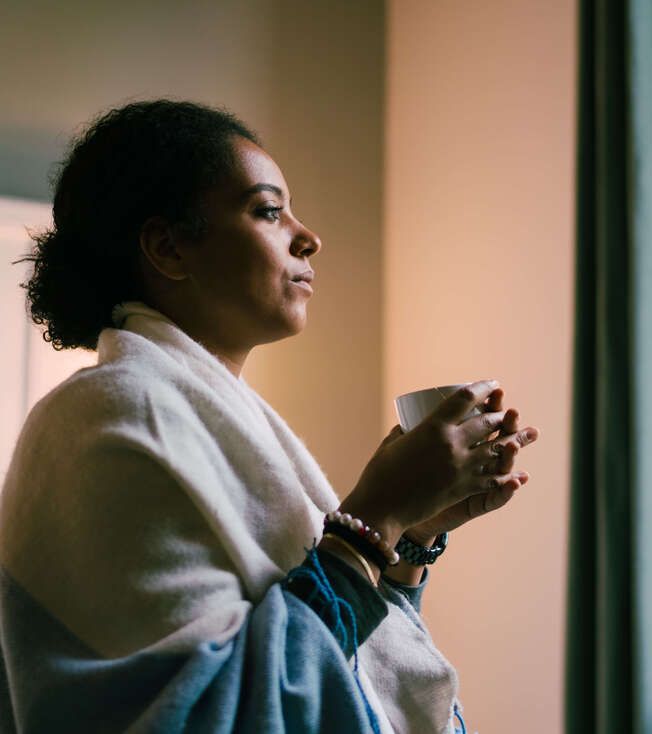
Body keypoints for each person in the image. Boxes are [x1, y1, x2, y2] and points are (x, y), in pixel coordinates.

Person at [0, 99, 539, 733]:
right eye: (268, 211)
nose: (309, 237)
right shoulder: (110, 414)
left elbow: (328, 654)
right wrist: (376, 516)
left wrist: (411, 534)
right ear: (169, 247)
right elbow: (207, 713)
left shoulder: (199, 415)